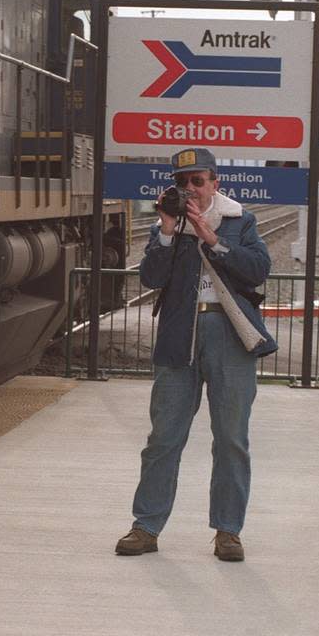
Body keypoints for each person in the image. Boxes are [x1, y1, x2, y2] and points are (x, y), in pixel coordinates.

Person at [115, 147, 276, 562]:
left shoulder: (241, 219)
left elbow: (257, 269)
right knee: (163, 438)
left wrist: (213, 240)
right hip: (178, 337)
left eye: (198, 181)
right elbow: (150, 277)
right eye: (182, 182)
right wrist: (168, 232)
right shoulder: (166, 224)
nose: (190, 189)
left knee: (230, 439)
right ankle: (145, 526)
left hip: (229, 335)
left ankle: (228, 531)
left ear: (215, 182)